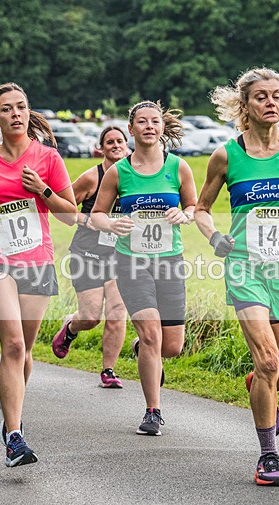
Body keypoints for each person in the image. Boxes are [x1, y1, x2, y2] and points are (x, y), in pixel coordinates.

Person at [194, 68, 279, 486]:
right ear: (245, 106)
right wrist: (215, 236)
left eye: (277, 95)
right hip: (246, 270)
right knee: (269, 359)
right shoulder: (226, 155)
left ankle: (260, 385)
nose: (272, 102)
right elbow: (201, 207)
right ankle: (268, 456)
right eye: (262, 97)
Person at [0, 82, 76, 467]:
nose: (16, 114)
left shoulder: (48, 159)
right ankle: (15, 437)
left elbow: (70, 214)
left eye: (21, 107)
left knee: (25, 348)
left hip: (36, 260)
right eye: (7, 109)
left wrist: (43, 191)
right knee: (13, 346)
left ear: (28, 112)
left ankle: (12, 422)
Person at [90, 100, 197, 436]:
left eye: (155, 121)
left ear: (162, 127)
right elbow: (96, 215)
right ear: (131, 128)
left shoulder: (178, 168)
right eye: (142, 121)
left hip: (170, 261)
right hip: (131, 262)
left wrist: (186, 214)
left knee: (171, 346)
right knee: (152, 334)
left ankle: (140, 348)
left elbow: (194, 205)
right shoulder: (118, 171)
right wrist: (111, 225)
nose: (149, 126)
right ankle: (153, 411)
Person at [52, 126, 129, 388]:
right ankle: (71, 327)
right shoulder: (91, 178)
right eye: (110, 142)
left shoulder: (135, 177)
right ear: (101, 147)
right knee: (91, 316)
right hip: (88, 253)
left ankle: (108, 371)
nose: (116, 145)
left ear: (127, 145)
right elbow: (63, 209)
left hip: (120, 255)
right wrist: (89, 220)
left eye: (120, 141)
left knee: (118, 312)